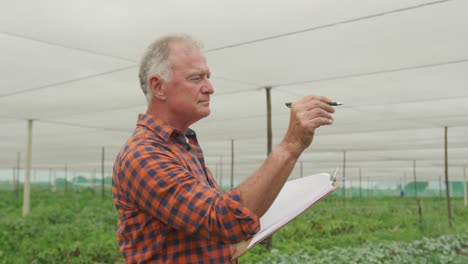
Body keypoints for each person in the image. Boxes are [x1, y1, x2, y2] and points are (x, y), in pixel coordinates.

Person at [112, 33, 335, 263]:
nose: (210, 88)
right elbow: (222, 219)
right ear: (158, 86)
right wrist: (291, 145)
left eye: (208, 77)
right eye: (196, 78)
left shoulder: (182, 145)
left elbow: (208, 228)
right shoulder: (143, 155)